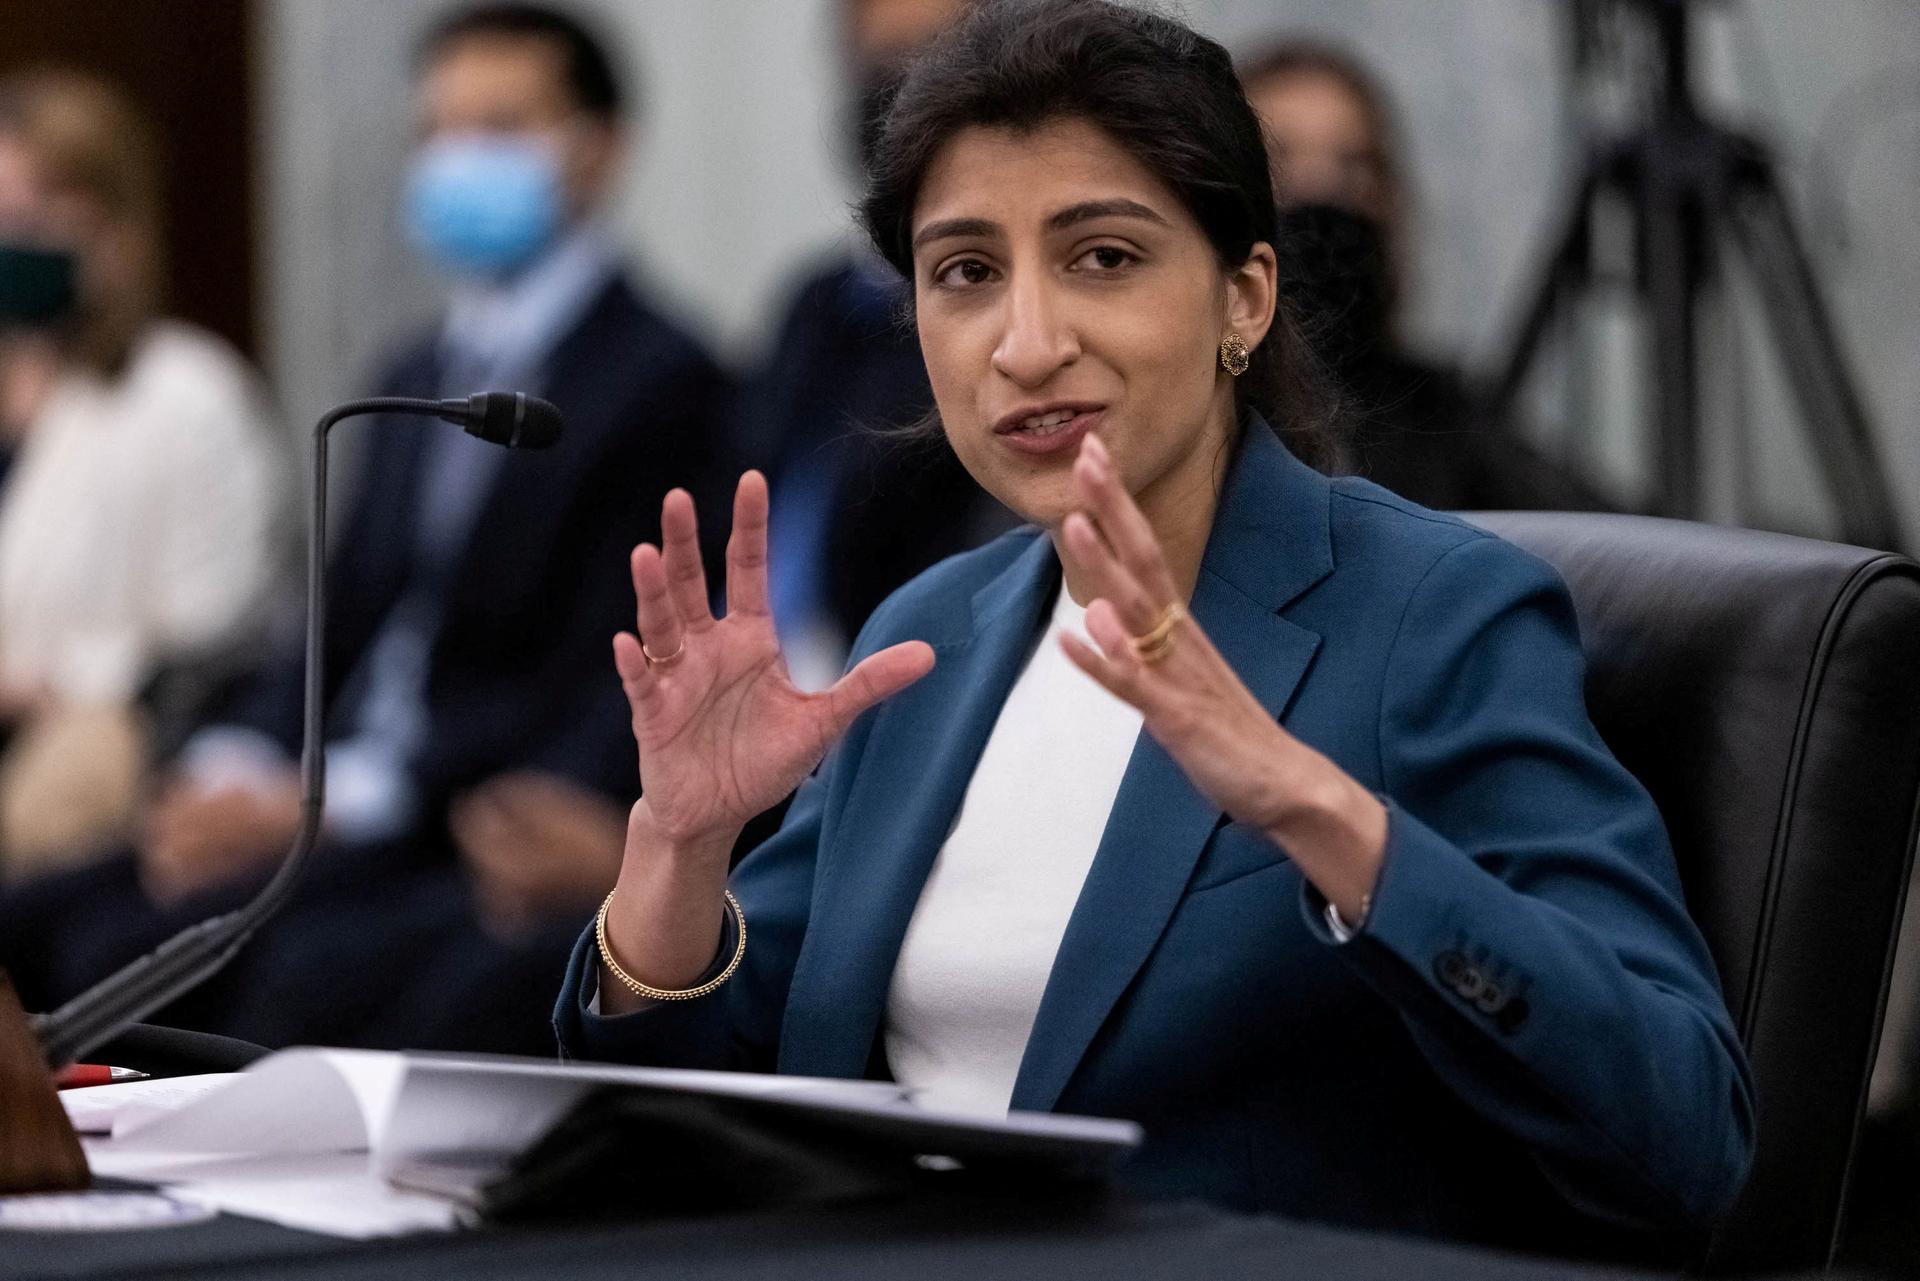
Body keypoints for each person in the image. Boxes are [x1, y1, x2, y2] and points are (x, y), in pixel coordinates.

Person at [555, 0, 1753, 1260]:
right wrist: (678, 854)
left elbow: (1685, 1137)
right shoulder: (929, 633)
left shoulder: (1433, 613)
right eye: (966, 273)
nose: (1027, 344)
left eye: (1104, 258)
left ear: (1244, 298)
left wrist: (1316, 809)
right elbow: (706, 1083)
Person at [0, 3, 729, 1053]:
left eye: (499, 126)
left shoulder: (662, 379)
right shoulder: (412, 375)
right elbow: (334, 621)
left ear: (598, 148)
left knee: (193, 968)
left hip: (446, 820)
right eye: (437, 130)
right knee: (35, 922)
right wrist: (238, 761)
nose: (455, 157)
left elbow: (597, 675)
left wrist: (326, 804)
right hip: (320, 795)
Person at [0, 72, 281, 875]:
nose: (11, 239)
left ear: (113, 226)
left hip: (113, 760)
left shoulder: (186, 392)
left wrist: (42, 683)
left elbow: (217, 636)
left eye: (35, 215)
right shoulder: (19, 386)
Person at [737, 0, 1012, 688]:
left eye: (933, 54)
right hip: (756, 706)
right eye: (877, 63)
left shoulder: (1020, 318)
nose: (899, 87)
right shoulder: (814, 305)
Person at [1240, 41, 1609, 513]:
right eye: (1279, 163)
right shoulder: (1197, 414)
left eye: (1354, 168)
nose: (1320, 192)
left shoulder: (1437, 420)